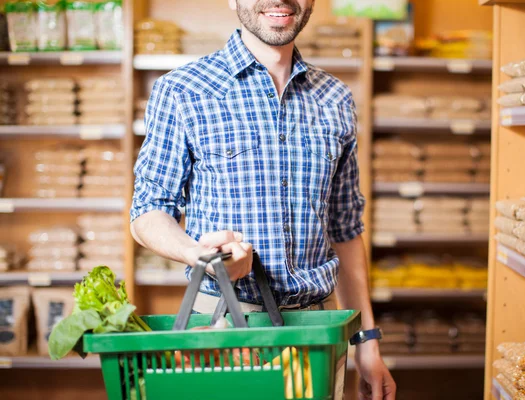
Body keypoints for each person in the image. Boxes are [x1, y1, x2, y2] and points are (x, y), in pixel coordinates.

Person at [130, 0, 396, 398]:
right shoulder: (183, 90)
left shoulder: (335, 98)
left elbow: (345, 230)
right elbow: (147, 211)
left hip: (318, 335)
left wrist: (368, 344)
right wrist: (200, 254)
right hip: (221, 330)